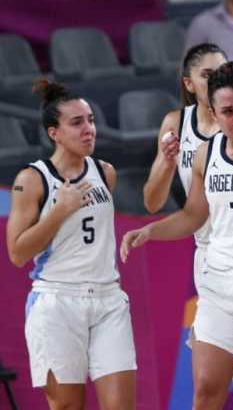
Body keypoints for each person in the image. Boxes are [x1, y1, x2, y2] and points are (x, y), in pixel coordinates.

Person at [121, 62, 233, 409]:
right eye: (229, 111)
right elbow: (194, 214)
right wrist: (150, 230)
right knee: (205, 392)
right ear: (213, 114)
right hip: (219, 287)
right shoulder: (207, 153)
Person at [6, 80, 135, 408]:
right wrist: (59, 211)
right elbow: (17, 253)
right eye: (76, 123)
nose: (89, 129)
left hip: (108, 300)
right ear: (54, 133)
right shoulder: (32, 180)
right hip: (57, 302)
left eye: (90, 120)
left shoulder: (105, 172)